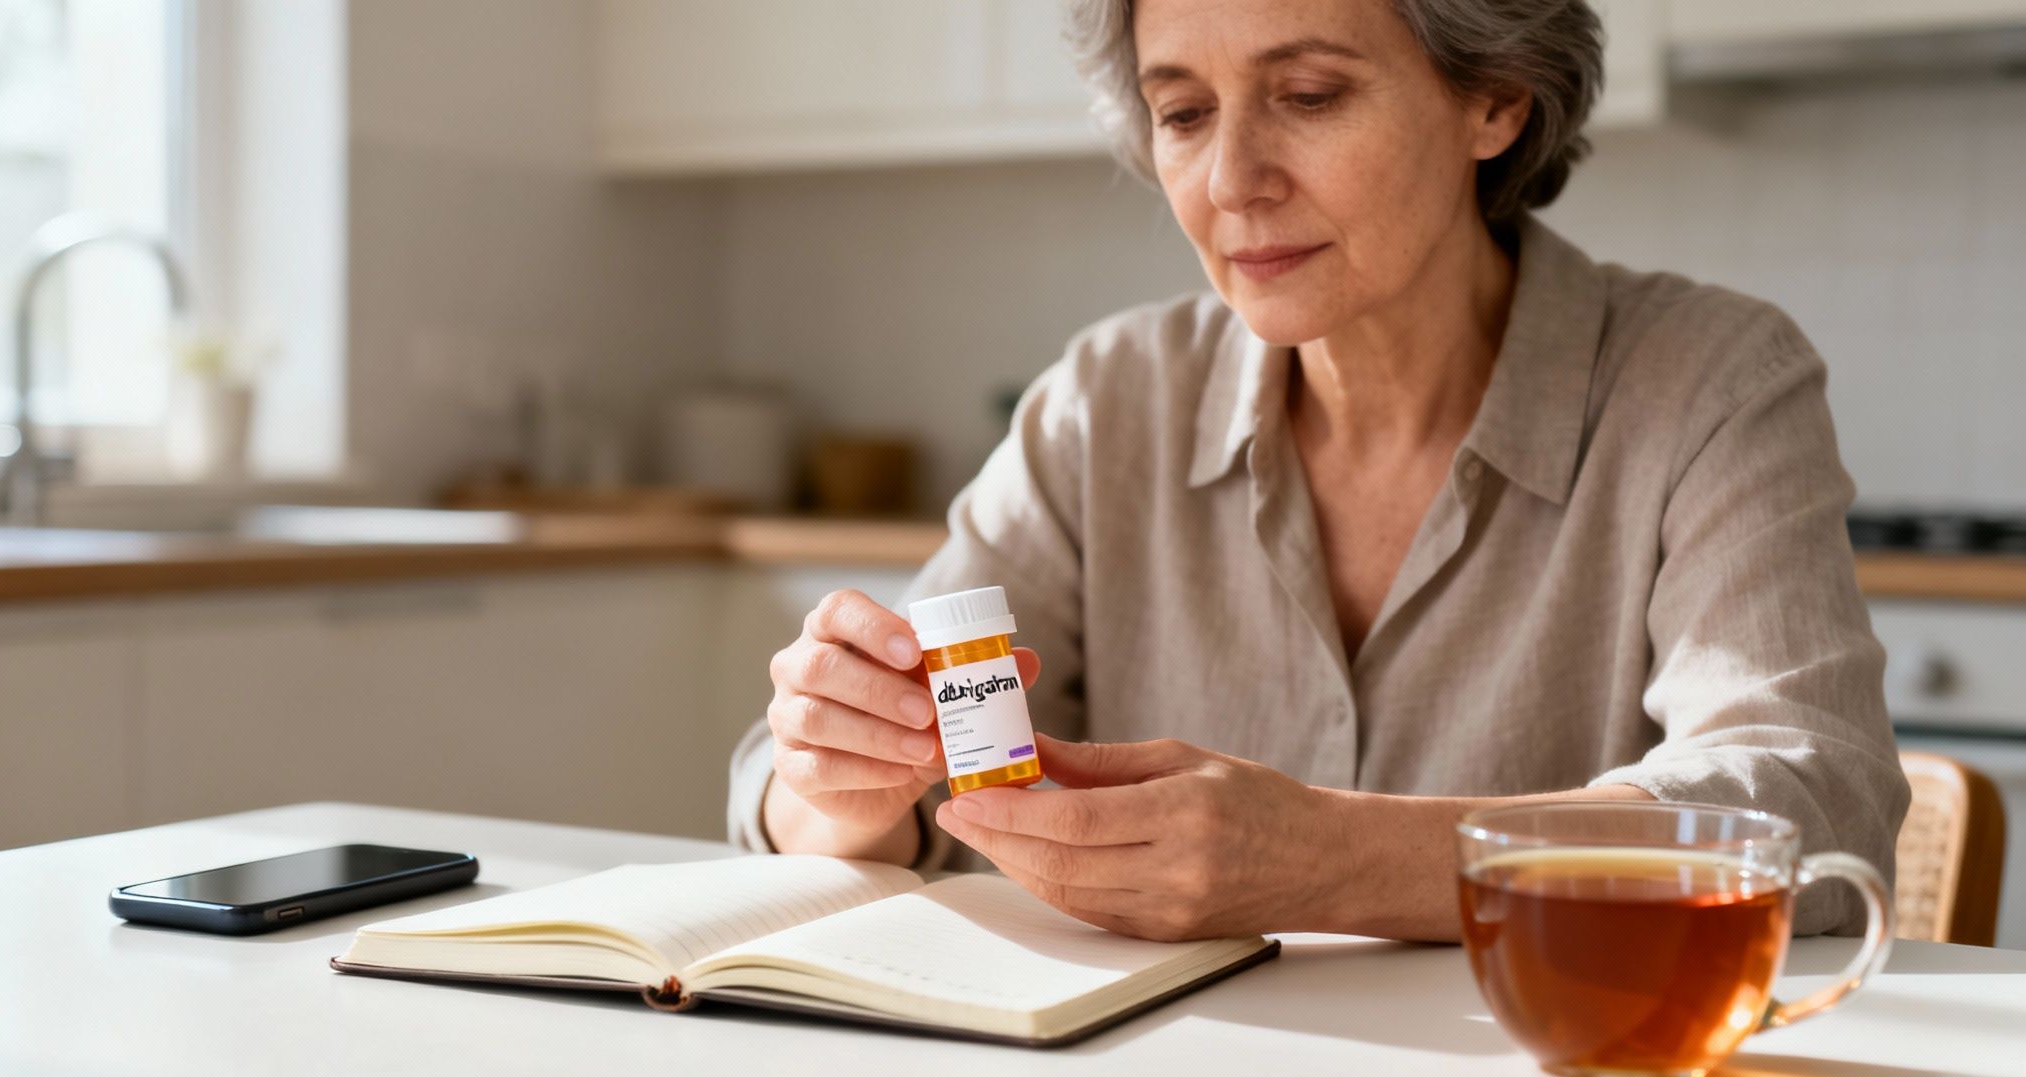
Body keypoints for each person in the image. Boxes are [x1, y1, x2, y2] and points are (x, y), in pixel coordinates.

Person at [726, 0, 1907, 942]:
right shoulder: (1107, 400)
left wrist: (1329, 860)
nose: (1232, 178)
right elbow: (810, 794)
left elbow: (1807, 809)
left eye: (1306, 95)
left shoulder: (1705, 380)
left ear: (1494, 97)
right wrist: (840, 784)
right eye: (1181, 113)